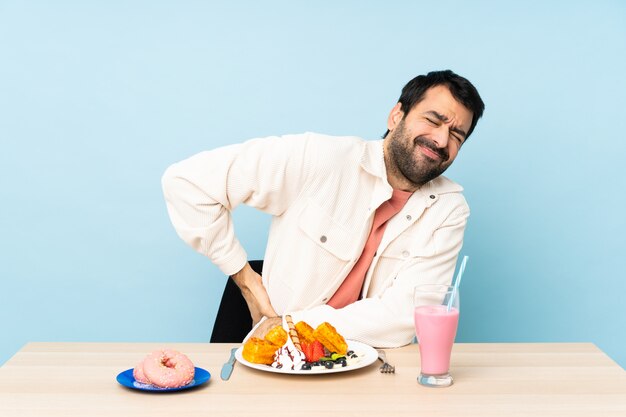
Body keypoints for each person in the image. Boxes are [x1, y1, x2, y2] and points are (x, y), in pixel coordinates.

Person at [162, 70, 484, 347]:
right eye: (433, 119)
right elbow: (186, 182)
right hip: (275, 363)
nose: (442, 140)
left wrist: (293, 326)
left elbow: (406, 316)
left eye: (457, 134)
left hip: (370, 373)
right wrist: (247, 279)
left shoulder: (449, 209)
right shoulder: (320, 158)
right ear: (396, 115)